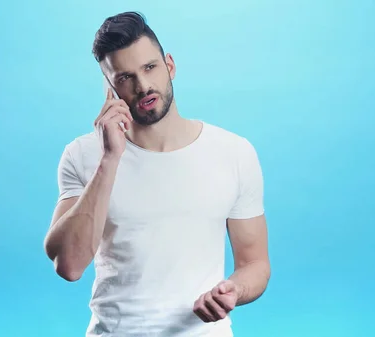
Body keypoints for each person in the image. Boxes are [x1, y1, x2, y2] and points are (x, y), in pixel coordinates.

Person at [44, 11, 271, 337]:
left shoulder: (234, 152)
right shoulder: (84, 155)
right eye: (125, 77)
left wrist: (233, 290)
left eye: (150, 67)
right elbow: (69, 265)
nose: (143, 85)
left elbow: (255, 264)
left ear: (170, 66)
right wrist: (110, 158)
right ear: (110, 88)